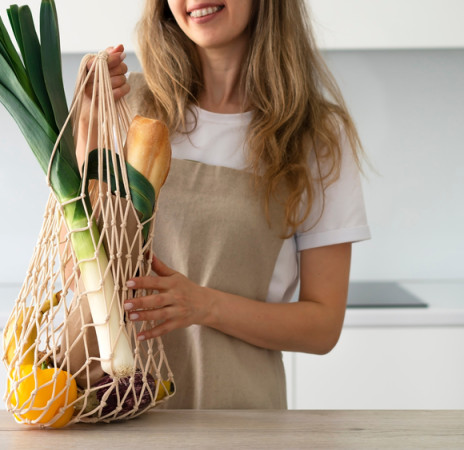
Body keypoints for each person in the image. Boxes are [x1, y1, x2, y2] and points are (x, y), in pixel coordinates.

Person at [76, 0, 371, 409]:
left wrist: (204, 305)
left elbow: (323, 326)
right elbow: (78, 279)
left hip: (242, 420)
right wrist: (88, 128)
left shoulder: (316, 137)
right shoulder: (127, 107)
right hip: (119, 414)